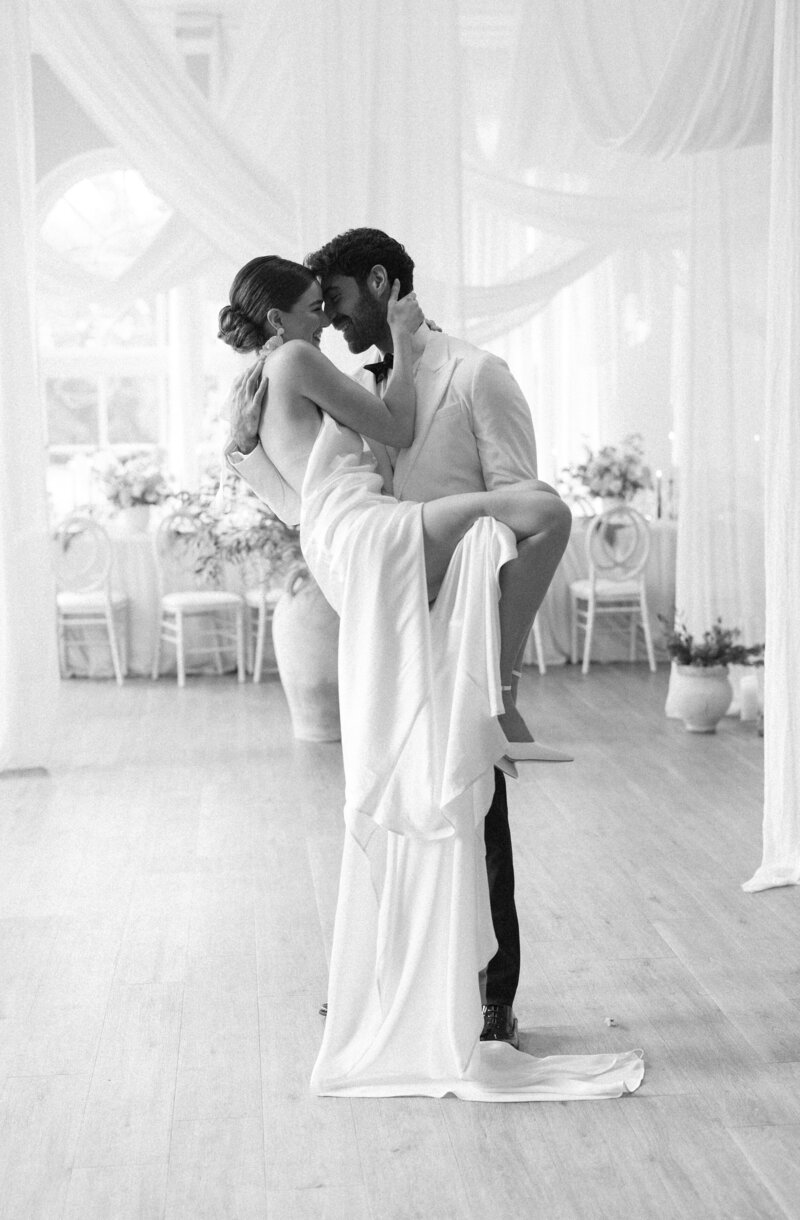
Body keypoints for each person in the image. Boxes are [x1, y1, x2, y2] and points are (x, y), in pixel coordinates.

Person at [218, 251, 644, 1102]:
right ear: (278, 320)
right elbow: (400, 432)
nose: (326, 322)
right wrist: (406, 357)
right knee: (546, 518)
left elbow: (287, 492)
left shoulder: (464, 374)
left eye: (330, 301)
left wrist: (334, 523)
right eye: (311, 307)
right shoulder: (302, 362)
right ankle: (504, 680)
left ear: (377, 284)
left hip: (380, 561)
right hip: (386, 550)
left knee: (454, 794)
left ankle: (459, 995)